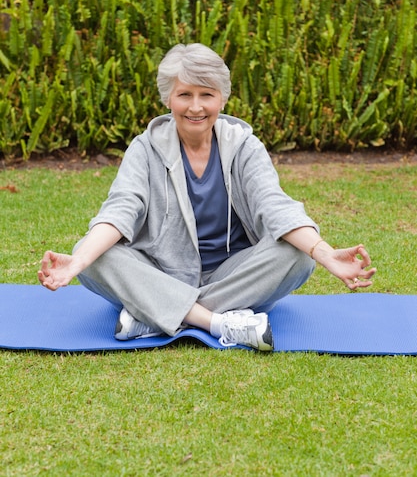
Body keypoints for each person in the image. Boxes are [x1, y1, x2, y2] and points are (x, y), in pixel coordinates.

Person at [38, 43, 376, 351]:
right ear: (168, 99)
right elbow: (122, 208)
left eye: (207, 95)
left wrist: (326, 253)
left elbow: (273, 206)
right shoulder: (145, 148)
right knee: (93, 255)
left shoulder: (244, 146)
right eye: (184, 95)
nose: (196, 107)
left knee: (298, 256)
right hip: (160, 271)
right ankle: (219, 323)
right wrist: (78, 262)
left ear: (222, 99)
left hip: (232, 275)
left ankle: (153, 314)